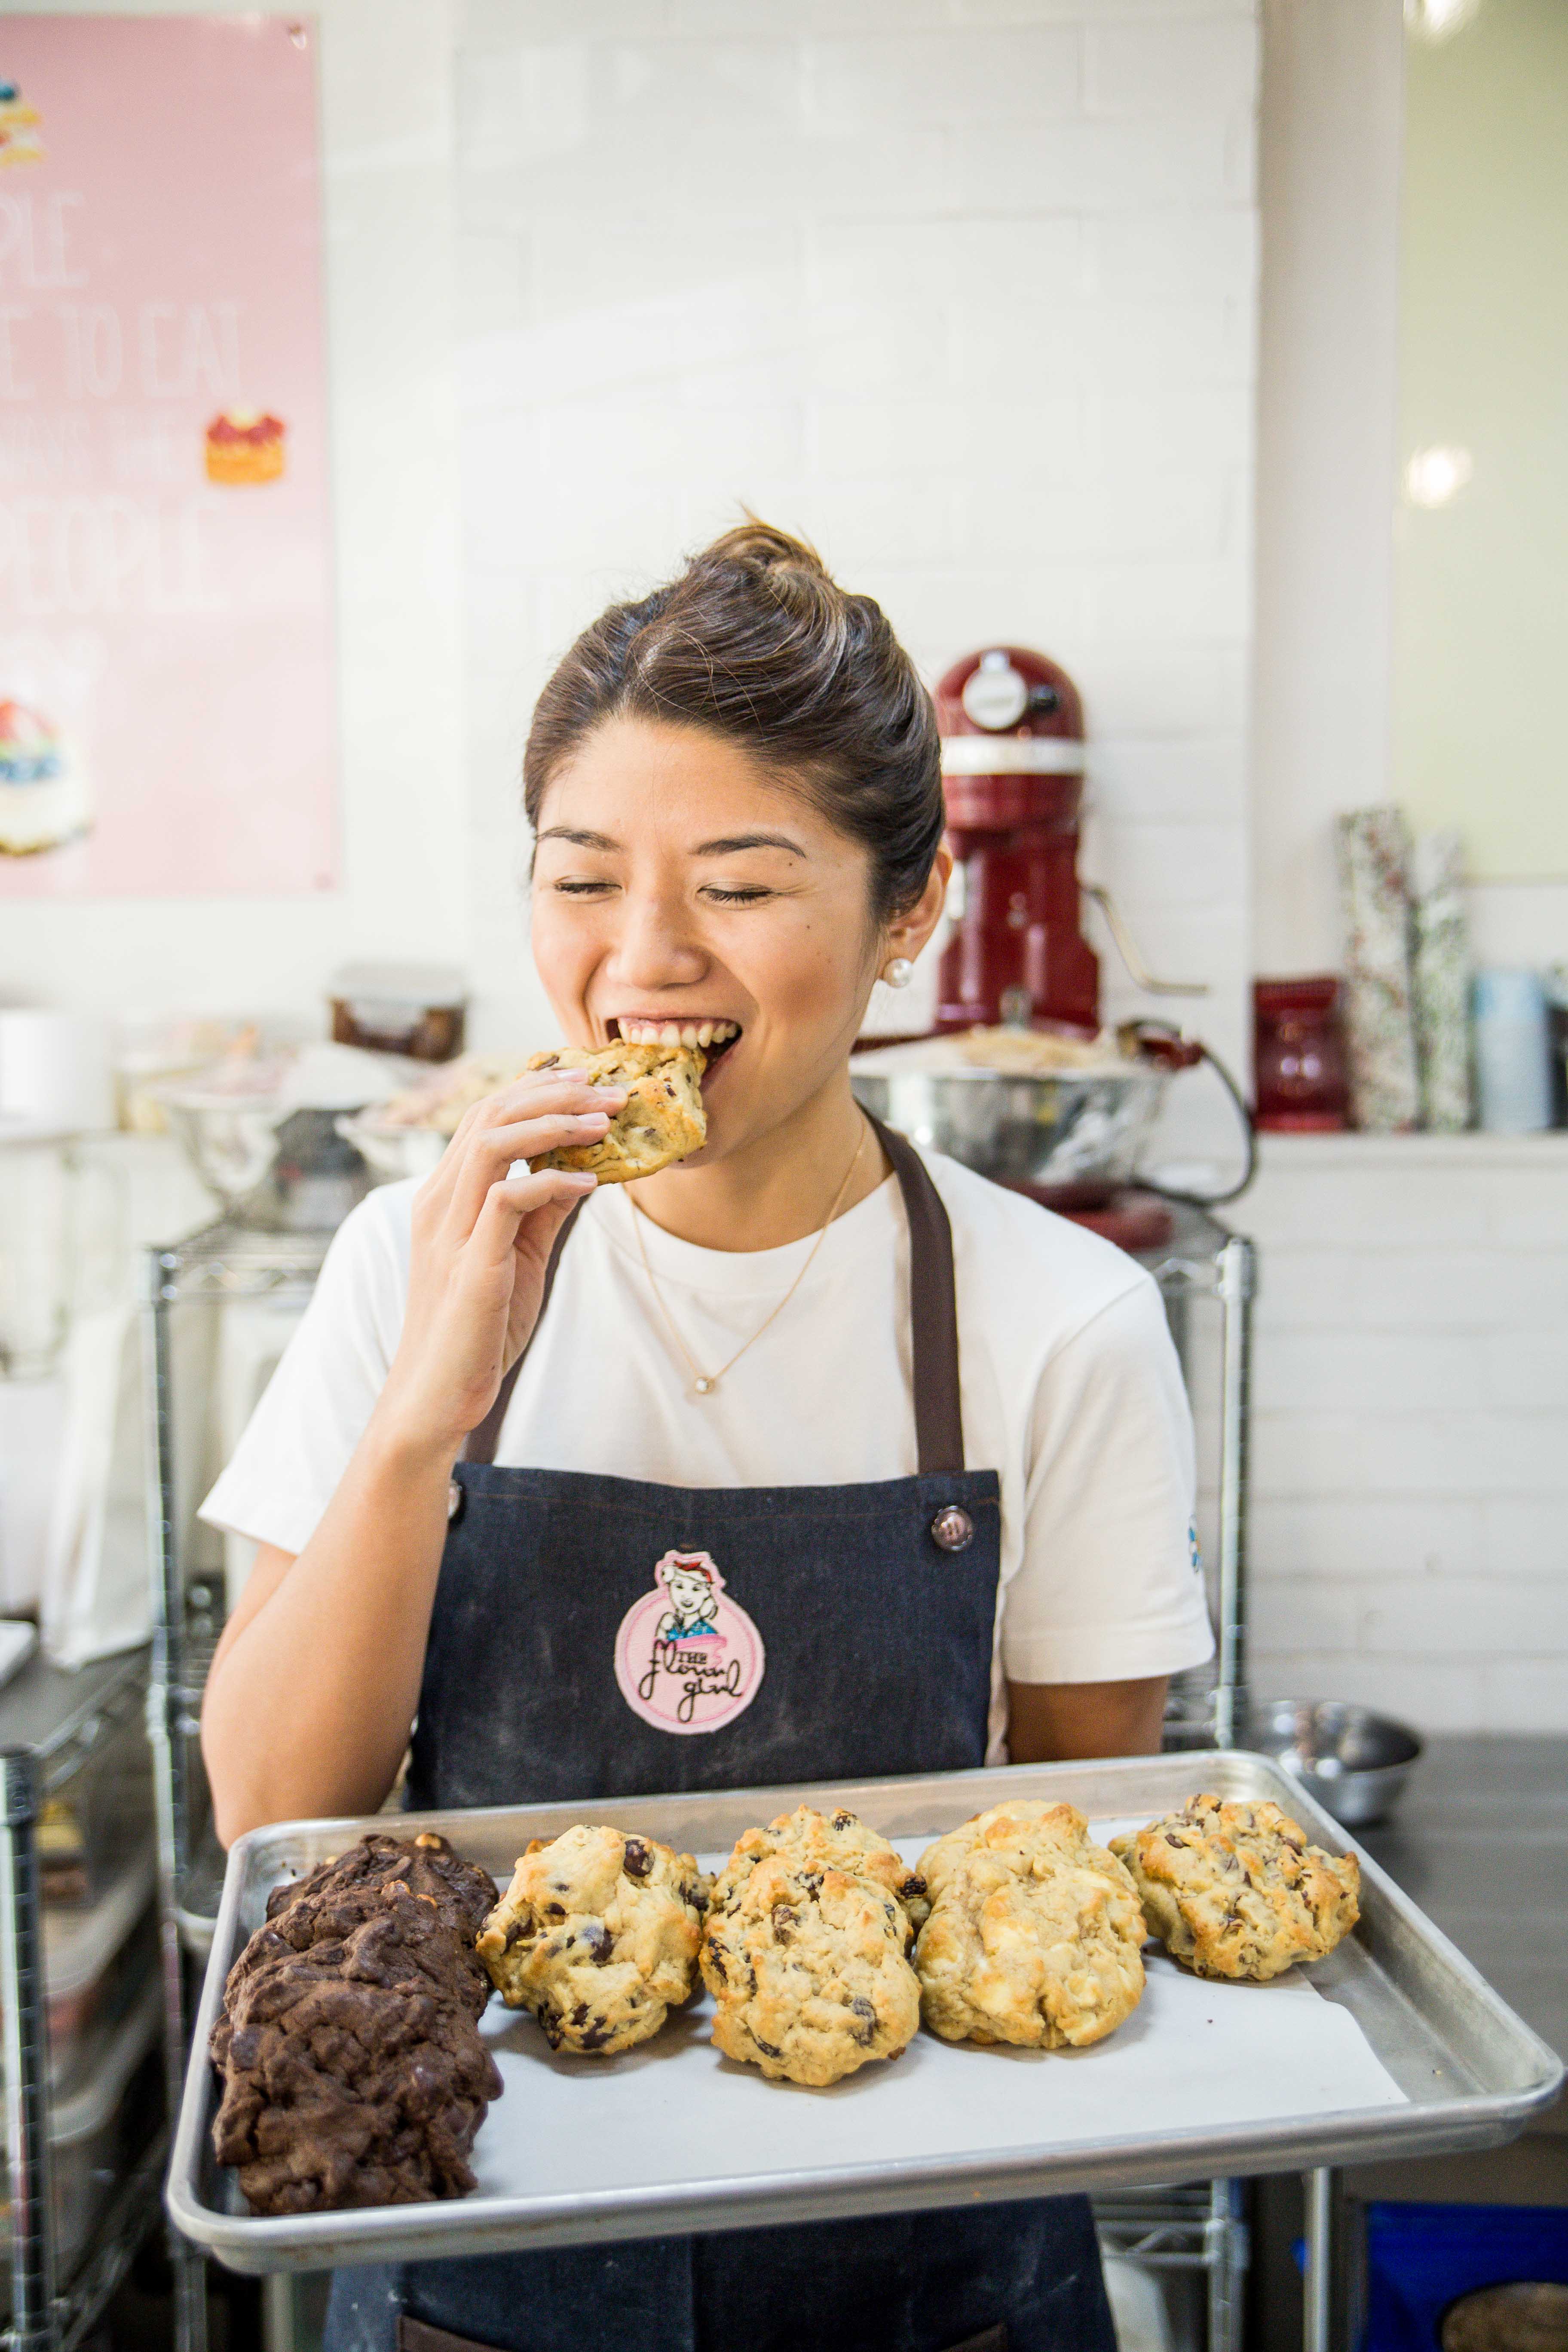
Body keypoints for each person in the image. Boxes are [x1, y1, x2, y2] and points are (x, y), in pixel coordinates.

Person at [200, 521, 1214, 2352]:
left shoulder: (1060, 1316)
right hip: (480, 2248)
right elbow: (276, 1816)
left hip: (927, 2261)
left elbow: (1063, 1869)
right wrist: (434, 1398)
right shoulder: (403, 1259)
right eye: (581, 878)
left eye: (742, 887)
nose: (641, 959)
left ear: (908, 920)